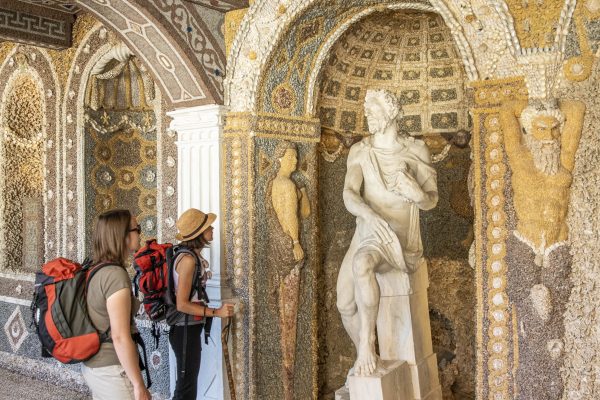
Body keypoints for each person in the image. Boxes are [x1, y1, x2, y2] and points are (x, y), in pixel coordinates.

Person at [336, 89, 438, 377]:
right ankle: (367, 357)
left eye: (373, 111)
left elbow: (431, 201)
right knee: (344, 303)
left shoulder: (415, 150)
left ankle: (368, 345)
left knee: (362, 264)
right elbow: (349, 193)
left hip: (399, 237)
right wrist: (369, 214)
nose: (368, 116)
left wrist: (415, 192)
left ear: (391, 113)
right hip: (368, 229)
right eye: (367, 111)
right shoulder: (360, 151)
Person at [82, 209, 151, 400]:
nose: (140, 233)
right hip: (112, 370)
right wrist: (138, 385)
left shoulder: (95, 269)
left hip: (95, 367)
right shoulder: (115, 276)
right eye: (137, 228)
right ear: (123, 235)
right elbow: (120, 336)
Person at [169, 208, 235, 400]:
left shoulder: (190, 256)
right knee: (185, 389)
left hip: (187, 329)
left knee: (187, 386)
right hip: (184, 330)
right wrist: (216, 312)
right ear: (199, 233)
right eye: (208, 226)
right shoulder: (188, 260)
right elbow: (182, 304)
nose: (212, 229)